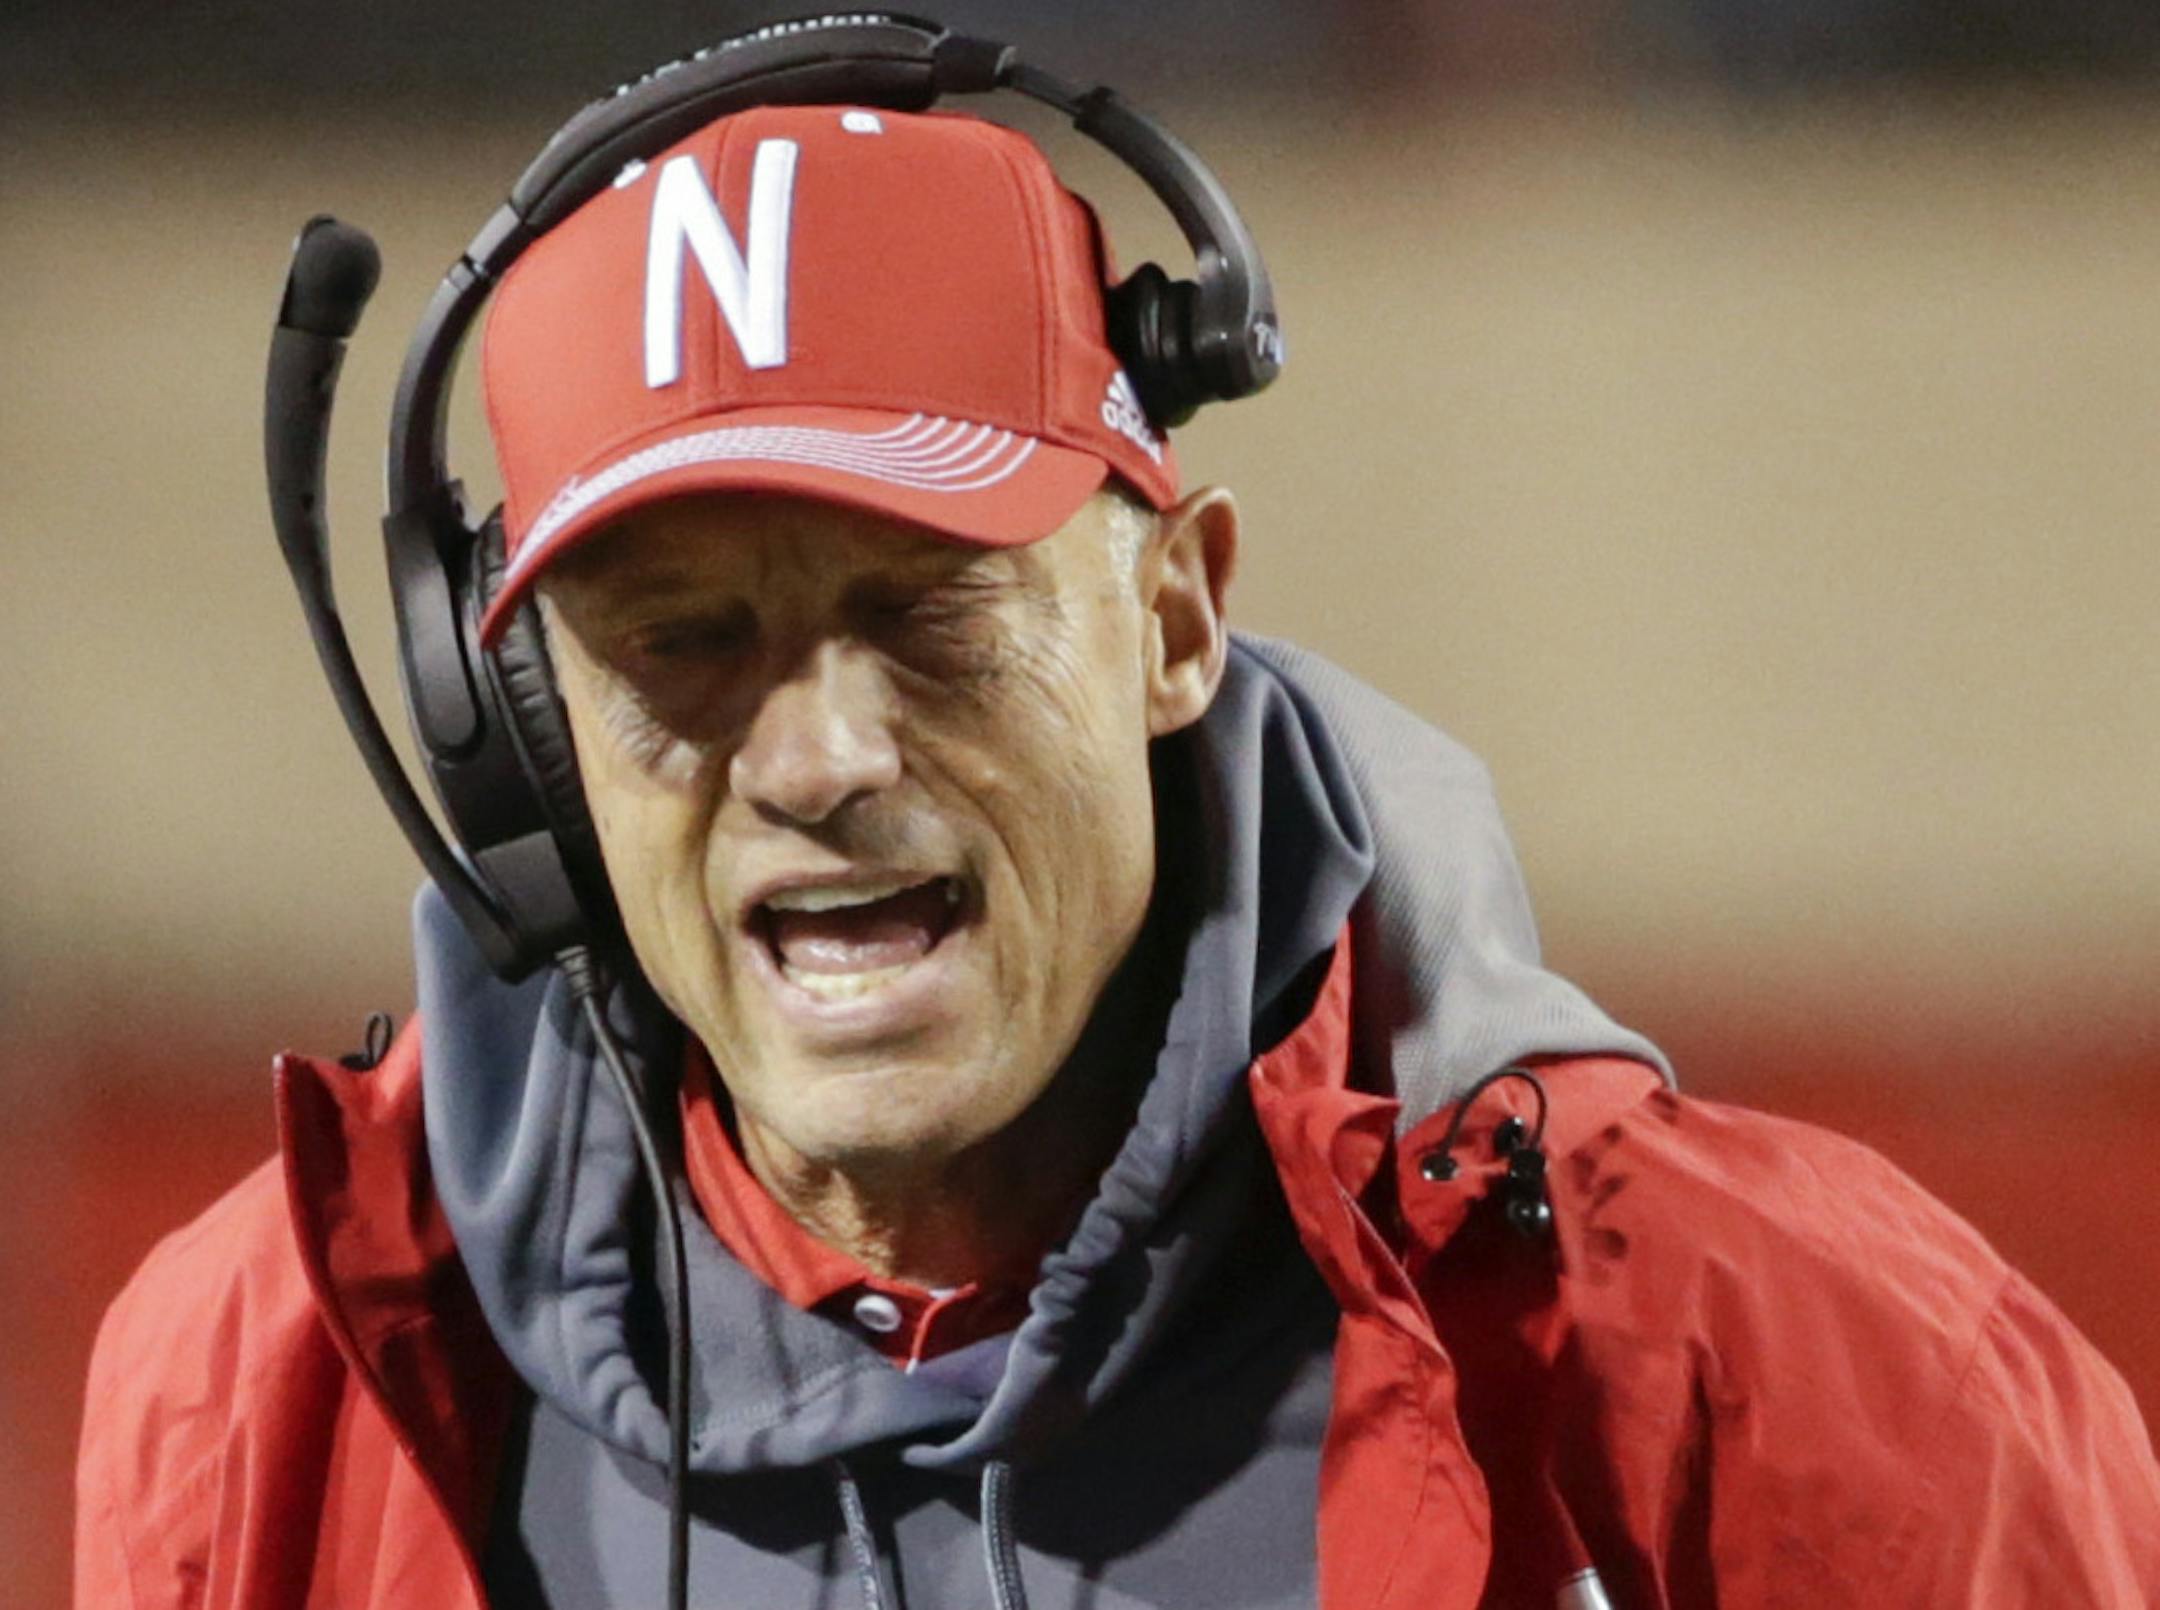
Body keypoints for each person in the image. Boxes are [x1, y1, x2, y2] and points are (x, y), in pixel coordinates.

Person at [77, 60, 2160, 1610]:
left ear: (1174, 620)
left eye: (929, 611)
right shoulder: (275, 1367)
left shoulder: (1772, 1356)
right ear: (516, 743)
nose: (815, 754)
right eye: (680, 650)